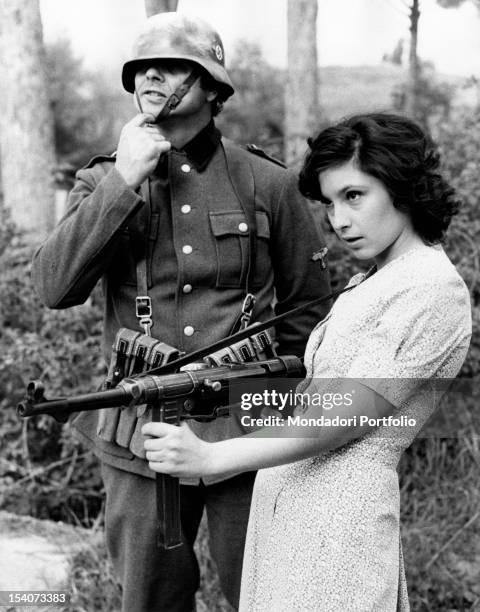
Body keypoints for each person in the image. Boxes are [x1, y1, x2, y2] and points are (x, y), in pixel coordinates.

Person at [31, 12, 330, 612]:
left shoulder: (266, 183)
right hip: (141, 435)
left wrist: (289, 425)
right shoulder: (103, 179)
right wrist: (123, 181)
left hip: (247, 433)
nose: (149, 77)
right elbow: (52, 287)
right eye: (141, 67)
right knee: (149, 599)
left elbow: (306, 316)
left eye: (169, 66)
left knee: (267, 594)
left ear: (211, 87)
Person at [142, 113, 472, 611]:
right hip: (293, 509)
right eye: (330, 203)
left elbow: (342, 417)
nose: (339, 219)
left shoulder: (432, 288)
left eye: (354, 196)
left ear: (402, 188)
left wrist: (213, 456)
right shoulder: (377, 279)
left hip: (340, 525)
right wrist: (215, 389)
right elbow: (312, 396)